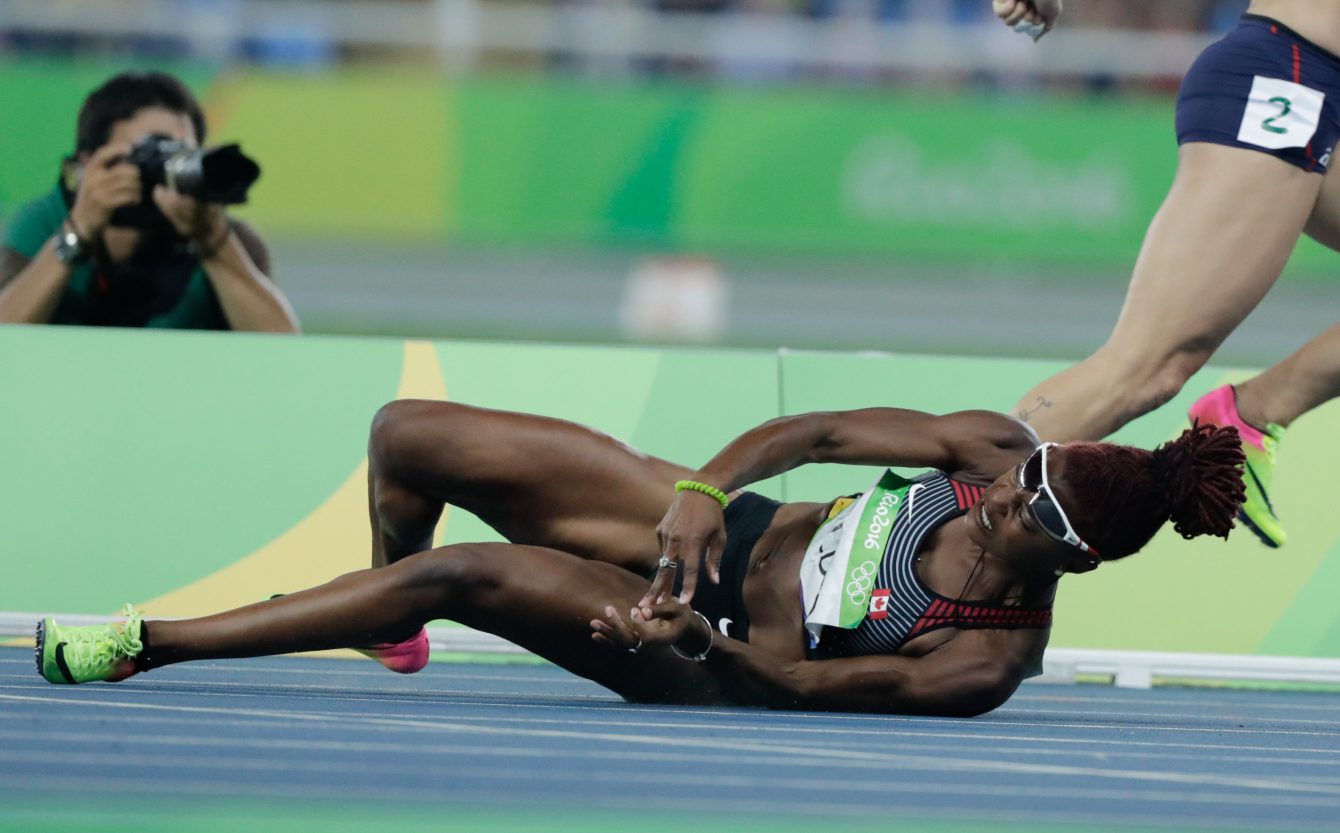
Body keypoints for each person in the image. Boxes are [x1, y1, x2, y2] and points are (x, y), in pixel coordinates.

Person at [36, 400, 1243, 716]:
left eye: (1020, 520)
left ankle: (145, 644)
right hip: (731, 536)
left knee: (463, 573)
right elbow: (814, 434)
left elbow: (808, 687)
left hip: (706, 654)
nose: (990, 507)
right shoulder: (989, 450)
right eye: (1014, 484)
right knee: (409, 441)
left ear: (1071, 563)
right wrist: (706, 491)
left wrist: (693, 635)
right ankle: (376, 626)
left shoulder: (984, 661)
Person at [993, 0, 1340, 549]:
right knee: (1143, 370)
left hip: (1315, 88)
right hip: (1287, 80)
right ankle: (902, 520)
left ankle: (1254, 413)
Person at [0, 71, 299, 332]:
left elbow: (284, 350)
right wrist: (76, 233)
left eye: (180, 153)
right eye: (150, 152)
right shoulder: (47, 222)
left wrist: (214, 242)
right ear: (90, 163)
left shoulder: (220, 233)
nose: (165, 169)